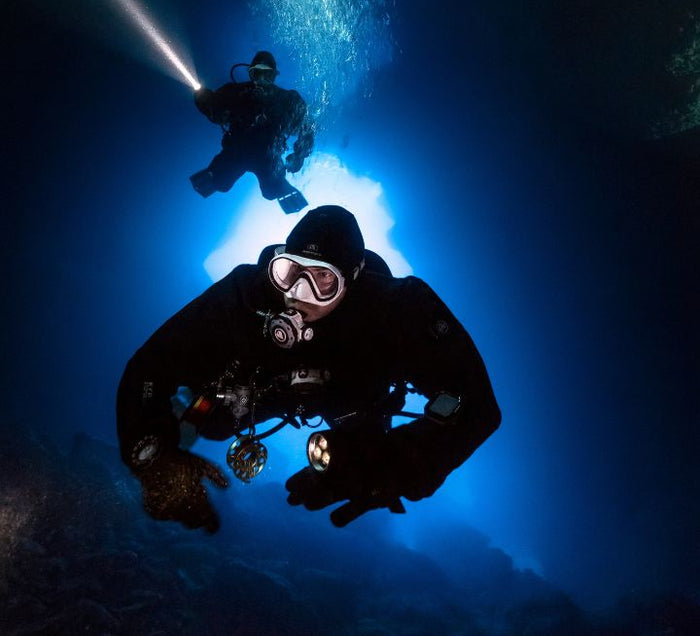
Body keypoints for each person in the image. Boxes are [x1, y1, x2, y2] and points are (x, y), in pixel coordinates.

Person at [117, 206, 501, 531]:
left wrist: (395, 468)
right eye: (290, 272)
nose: (297, 294)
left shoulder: (397, 312)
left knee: (357, 454)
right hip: (265, 387)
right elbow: (151, 364)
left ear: (352, 280)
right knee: (213, 421)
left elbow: (477, 407)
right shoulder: (245, 294)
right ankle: (193, 414)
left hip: (352, 399)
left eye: (323, 280)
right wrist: (151, 452)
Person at [190, 51, 314, 214]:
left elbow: (307, 127)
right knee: (221, 182)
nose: (261, 79)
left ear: (274, 75)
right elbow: (213, 106)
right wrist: (203, 100)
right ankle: (217, 178)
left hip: (268, 156)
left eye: (266, 74)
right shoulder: (235, 93)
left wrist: (299, 156)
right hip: (237, 151)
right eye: (257, 73)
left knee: (272, 191)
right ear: (251, 73)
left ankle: (280, 189)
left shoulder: (286, 100)